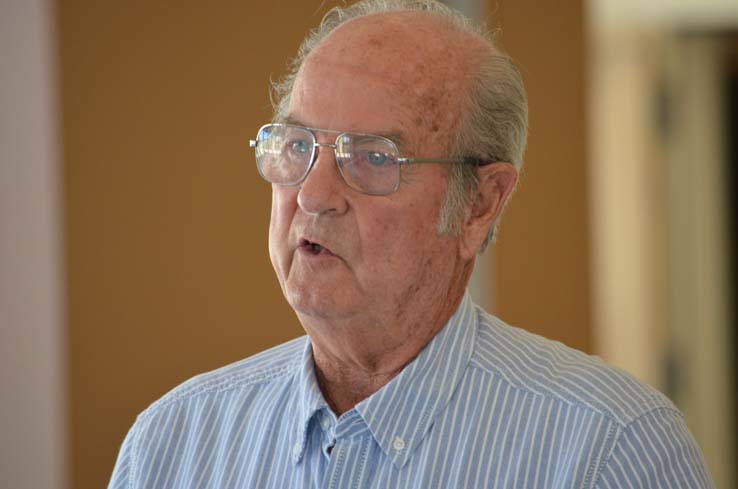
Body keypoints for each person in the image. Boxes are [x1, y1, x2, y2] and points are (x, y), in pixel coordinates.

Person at [109, 1, 713, 487]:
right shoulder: (172, 443)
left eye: (373, 157)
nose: (314, 195)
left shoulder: (609, 449)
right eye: (297, 146)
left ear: (480, 203)